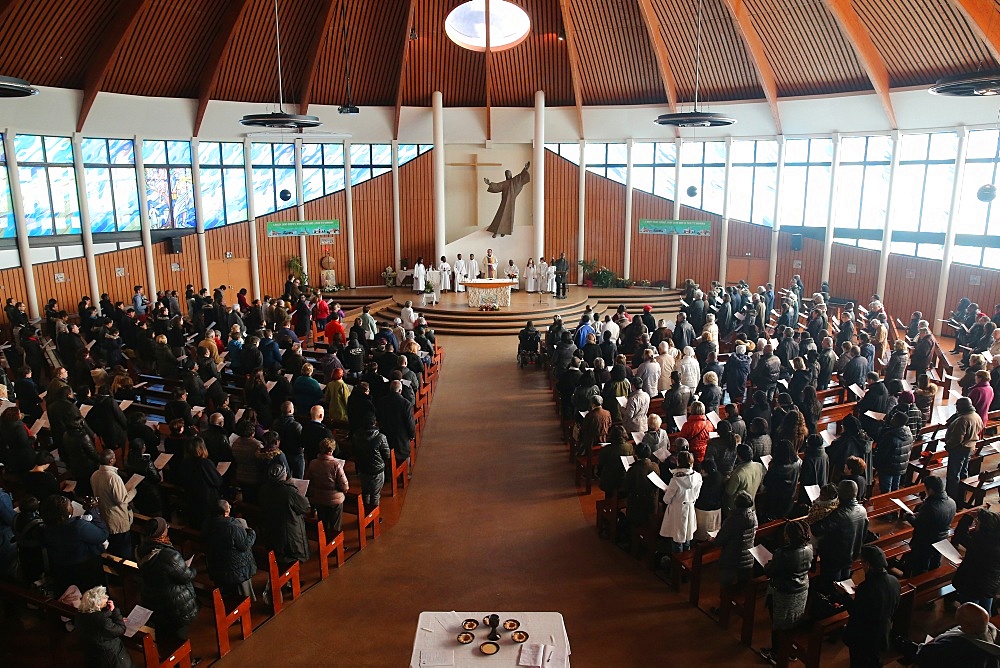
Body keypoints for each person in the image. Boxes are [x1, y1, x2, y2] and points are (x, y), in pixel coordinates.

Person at [136, 517, 198, 649]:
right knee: (179, 634)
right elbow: (185, 576)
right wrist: (193, 570)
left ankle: (165, 657)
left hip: (153, 598)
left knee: (162, 632)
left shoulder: (140, 550)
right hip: (173, 602)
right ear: (162, 533)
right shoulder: (168, 555)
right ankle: (184, 662)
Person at [759, 520, 813, 665]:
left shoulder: (783, 553)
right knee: (793, 621)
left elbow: (770, 571)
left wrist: (767, 565)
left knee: (778, 624)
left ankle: (776, 653)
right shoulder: (809, 548)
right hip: (801, 590)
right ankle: (789, 651)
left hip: (783, 592)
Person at [842, 545, 900, 667]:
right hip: (883, 631)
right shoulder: (894, 581)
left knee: (858, 662)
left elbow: (855, 612)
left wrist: (844, 596)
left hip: (863, 636)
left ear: (868, 564)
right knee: (875, 660)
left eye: (862, 562)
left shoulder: (867, 588)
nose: (862, 565)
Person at [812, 480, 868, 596]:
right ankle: (842, 601)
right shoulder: (862, 510)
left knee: (831, 586)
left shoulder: (839, 514)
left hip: (834, 557)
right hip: (852, 552)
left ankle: (830, 605)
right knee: (844, 580)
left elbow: (816, 530)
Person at [915, 602, 1000, 667]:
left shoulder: (957, 644)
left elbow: (924, 654)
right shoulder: (990, 629)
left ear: (967, 625)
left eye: (961, 622)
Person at [203, 499, 257, 600]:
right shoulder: (233, 526)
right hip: (236, 568)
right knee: (240, 597)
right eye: (229, 507)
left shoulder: (207, 524)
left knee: (227, 595)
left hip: (217, 567)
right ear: (225, 512)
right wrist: (251, 533)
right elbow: (244, 546)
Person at [711, 490, 757, 603]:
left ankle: (723, 608)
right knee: (741, 586)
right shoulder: (753, 516)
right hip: (748, 557)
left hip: (732, 558)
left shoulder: (733, 520)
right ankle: (736, 605)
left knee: (726, 586)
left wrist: (713, 539)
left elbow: (719, 541)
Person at [89, 449, 136, 559]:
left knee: (113, 549)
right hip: (117, 519)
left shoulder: (95, 474)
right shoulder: (113, 477)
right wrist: (133, 491)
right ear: (111, 460)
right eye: (114, 457)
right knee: (123, 552)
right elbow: (121, 500)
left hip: (104, 517)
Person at [76, 585, 134, 668]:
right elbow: (121, 629)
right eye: (103, 597)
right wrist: (114, 611)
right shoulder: (103, 621)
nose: (107, 597)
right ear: (97, 604)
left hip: (92, 655)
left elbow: (98, 619)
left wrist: (112, 615)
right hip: (110, 658)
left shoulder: (80, 614)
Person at [659, 450, 702, 552]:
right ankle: (686, 556)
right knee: (687, 535)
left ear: (678, 462)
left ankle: (677, 562)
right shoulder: (697, 476)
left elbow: (666, 500)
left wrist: (667, 491)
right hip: (690, 507)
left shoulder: (676, 480)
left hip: (677, 511)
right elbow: (696, 495)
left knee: (677, 538)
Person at [305, 438, 349, 536]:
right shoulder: (336, 465)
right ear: (331, 451)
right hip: (334, 499)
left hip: (319, 498)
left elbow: (307, 480)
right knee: (335, 525)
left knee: (323, 523)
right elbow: (344, 485)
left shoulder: (313, 463)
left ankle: (324, 543)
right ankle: (334, 545)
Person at [945, 397, 984, 500]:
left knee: (953, 474)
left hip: (959, 448)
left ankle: (951, 497)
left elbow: (957, 438)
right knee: (963, 471)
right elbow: (981, 427)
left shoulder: (963, 419)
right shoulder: (976, 415)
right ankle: (961, 495)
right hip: (970, 447)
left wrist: (948, 445)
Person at [483, 162, 530, 237]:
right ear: (505, 175)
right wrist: (489, 183)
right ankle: (496, 231)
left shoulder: (515, 181)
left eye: (509, 173)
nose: (508, 175)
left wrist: (526, 169)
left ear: (511, 174)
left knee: (508, 217)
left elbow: (521, 177)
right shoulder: (504, 183)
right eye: (506, 174)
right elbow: (497, 186)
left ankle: (503, 232)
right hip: (504, 201)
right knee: (500, 216)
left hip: (511, 202)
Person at [872, 411, 912, 493]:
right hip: (900, 465)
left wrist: (874, 463)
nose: (891, 418)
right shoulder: (908, 433)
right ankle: (895, 504)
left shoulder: (891, 437)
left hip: (888, 467)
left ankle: (887, 504)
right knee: (895, 488)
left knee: (886, 490)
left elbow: (881, 453)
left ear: (897, 421)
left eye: (893, 417)